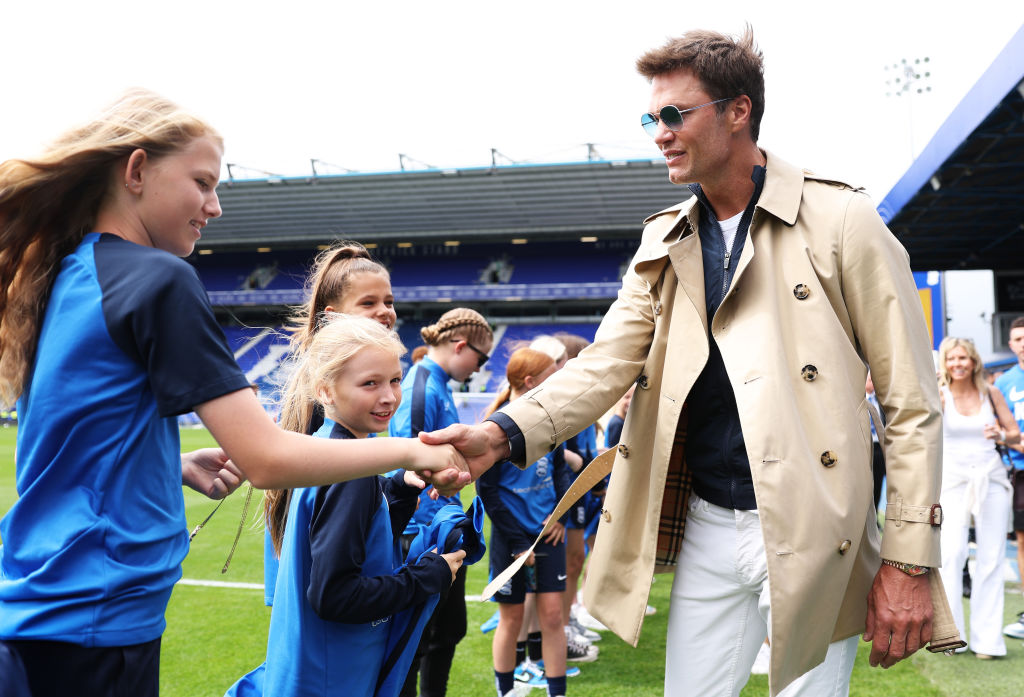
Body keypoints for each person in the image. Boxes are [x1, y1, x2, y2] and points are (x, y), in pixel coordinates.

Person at [422, 28, 963, 696]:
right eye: (652, 117)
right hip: (706, 520)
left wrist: (908, 561)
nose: (659, 132)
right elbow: (604, 365)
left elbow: (912, 403)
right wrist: (501, 433)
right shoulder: (663, 237)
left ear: (738, 111)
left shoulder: (843, 219)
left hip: (813, 523)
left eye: (675, 114)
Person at [0, 89, 466, 697]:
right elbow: (267, 460)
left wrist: (169, 465)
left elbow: (68, 452)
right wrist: (413, 452)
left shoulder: (66, 274)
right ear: (137, 171)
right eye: (202, 182)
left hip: (38, 605)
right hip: (98, 615)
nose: (215, 206)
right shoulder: (158, 278)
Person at [225, 316, 468, 697]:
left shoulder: (326, 452)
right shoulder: (349, 474)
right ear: (325, 390)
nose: (388, 396)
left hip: (312, 671)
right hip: (332, 679)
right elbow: (334, 595)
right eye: (370, 383)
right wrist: (429, 575)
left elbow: (358, 532)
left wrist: (400, 489)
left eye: (394, 380)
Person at [263, 240, 397, 605]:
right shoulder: (332, 390)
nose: (385, 311)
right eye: (368, 303)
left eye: (388, 301)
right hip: (317, 562)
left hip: (316, 556)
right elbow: (333, 494)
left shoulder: (339, 376)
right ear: (332, 315)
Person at [390, 308, 494, 697]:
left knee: (444, 631)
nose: (480, 367)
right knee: (420, 637)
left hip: (441, 526)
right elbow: (410, 465)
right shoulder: (422, 387)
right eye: (481, 359)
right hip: (424, 533)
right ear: (460, 345)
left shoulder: (433, 382)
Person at [477, 348, 571, 697]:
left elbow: (560, 469)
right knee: (512, 619)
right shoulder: (496, 427)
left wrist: (558, 514)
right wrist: (517, 542)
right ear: (531, 382)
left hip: (549, 535)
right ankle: (505, 691)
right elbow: (488, 492)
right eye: (552, 374)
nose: (558, 380)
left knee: (551, 617)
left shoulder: (550, 419)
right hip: (511, 540)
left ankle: (556, 692)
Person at [935, 337, 1019, 659]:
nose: (957, 364)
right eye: (952, 358)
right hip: (953, 480)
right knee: (952, 554)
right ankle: (951, 636)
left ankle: (988, 642)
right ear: (946, 362)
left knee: (991, 558)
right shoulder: (940, 396)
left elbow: (1013, 434)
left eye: (963, 358)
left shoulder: (991, 392)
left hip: (992, 478)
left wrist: (1000, 434)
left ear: (973, 361)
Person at [994, 317, 1024, 639]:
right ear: (1011, 344)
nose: (1022, 344)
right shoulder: (1003, 383)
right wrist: (1011, 439)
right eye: (1017, 339)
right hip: (1020, 470)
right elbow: (996, 429)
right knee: (1023, 543)